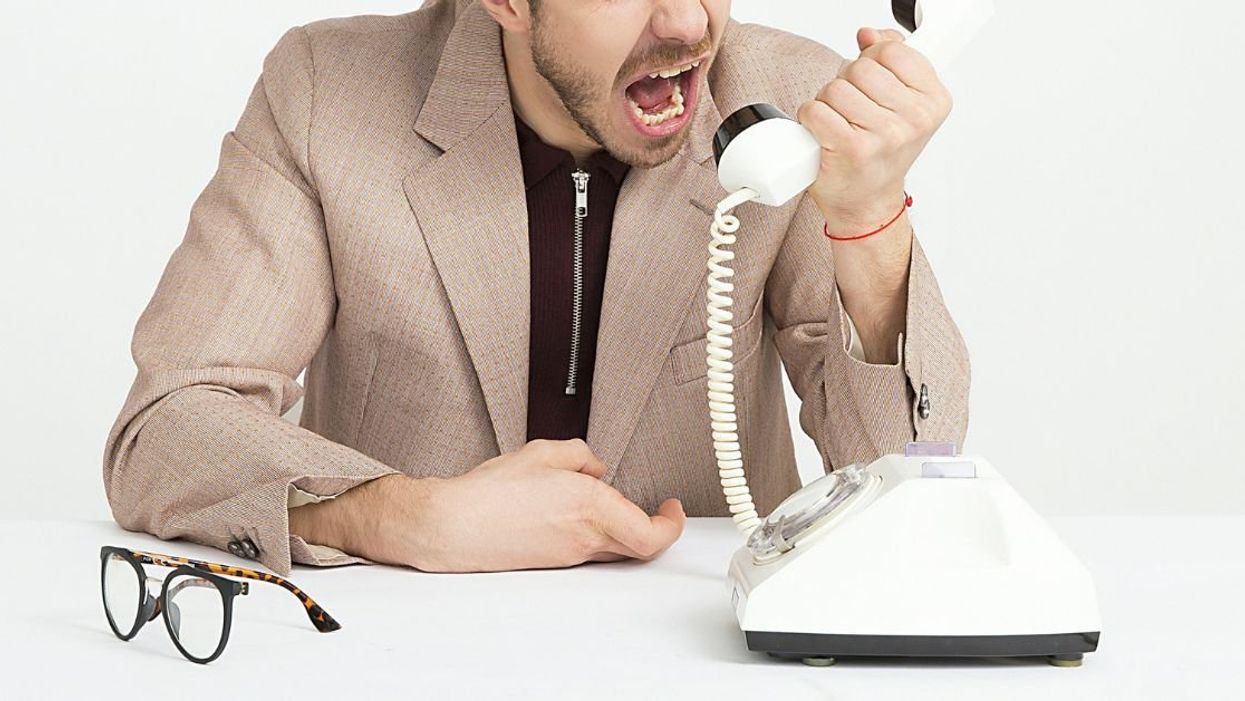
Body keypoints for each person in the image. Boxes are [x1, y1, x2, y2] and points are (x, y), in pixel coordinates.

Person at [103, 0, 969, 576]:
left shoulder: (785, 102)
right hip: (401, 659)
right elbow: (166, 426)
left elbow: (909, 476)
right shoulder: (326, 91)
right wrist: (401, 517)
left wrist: (867, 221)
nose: (689, 21)